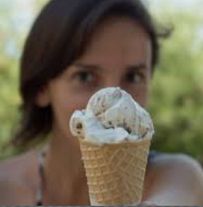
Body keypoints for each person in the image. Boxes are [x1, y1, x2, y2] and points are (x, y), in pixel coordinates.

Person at [0, 0, 203, 205]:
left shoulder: (177, 176)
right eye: (85, 76)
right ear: (42, 88)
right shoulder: (5, 188)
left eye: (133, 77)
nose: (117, 98)